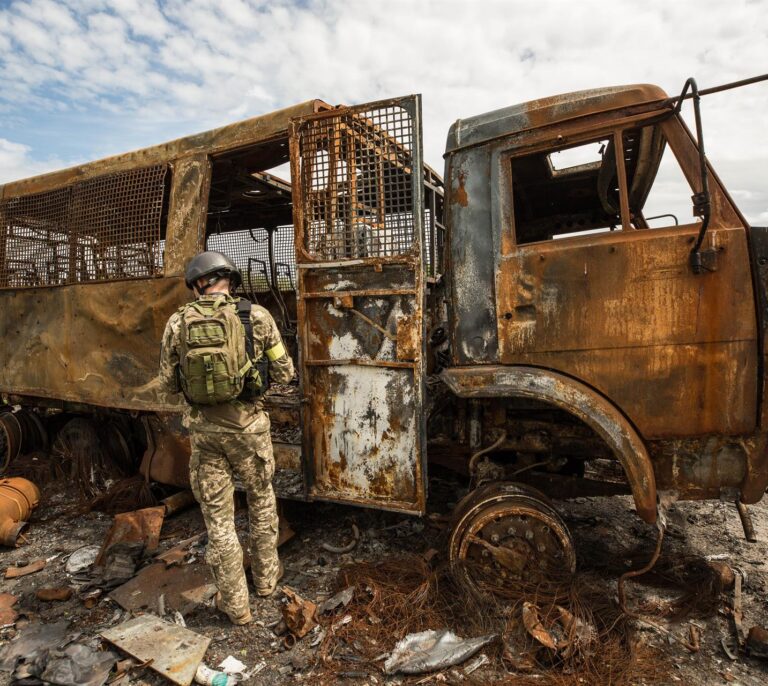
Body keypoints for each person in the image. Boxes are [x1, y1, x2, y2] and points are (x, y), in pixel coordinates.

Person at [157, 251, 294, 625]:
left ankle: (237, 607)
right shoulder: (257, 316)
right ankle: (266, 583)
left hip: (205, 436)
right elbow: (285, 371)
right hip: (250, 432)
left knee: (219, 521)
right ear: (229, 280)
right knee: (262, 503)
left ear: (197, 284)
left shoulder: (177, 323)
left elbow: (168, 384)